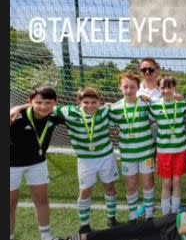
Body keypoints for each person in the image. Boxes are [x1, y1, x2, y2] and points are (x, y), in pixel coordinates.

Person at [55, 88, 118, 232]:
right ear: (78, 102)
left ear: (99, 102)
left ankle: (112, 218)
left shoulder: (105, 111)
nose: (90, 105)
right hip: (85, 160)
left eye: (94, 102)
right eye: (86, 102)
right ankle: (84, 225)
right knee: (85, 191)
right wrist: (17, 108)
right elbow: (42, 106)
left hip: (106, 157)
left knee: (109, 188)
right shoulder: (68, 112)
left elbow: (122, 107)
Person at [10, 86, 62, 240]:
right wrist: (18, 108)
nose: (43, 106)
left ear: (55, 103)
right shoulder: (15, 116)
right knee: (10, 205)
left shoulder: (55, 115)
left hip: (38, 164)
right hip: (11, 166)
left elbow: (81, 109)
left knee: (41, 200)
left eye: (48, 102)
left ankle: (46, 236)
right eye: (38, 103)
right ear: (30, 102)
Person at [109, 73, 155, 223]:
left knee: (147, 184)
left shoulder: (145, 104)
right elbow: (110, 126)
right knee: (131, 186)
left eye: (132, 87)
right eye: (125, 87)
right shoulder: (115, 108)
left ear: (138, 87)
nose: (129, 90)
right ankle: (133, 215)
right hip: (128, 155)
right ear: (120, 87)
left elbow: (158, 114)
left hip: (146, 153)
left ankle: (149, 215)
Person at [149, 75, 186, 216]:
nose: (166, 90)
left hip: (180, 150)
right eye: (163, 87)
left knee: (177, 181)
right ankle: (166, 216)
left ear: (174, 88)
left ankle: (175, 213)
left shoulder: (183, 105)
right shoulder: (155, 106)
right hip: (164, 151)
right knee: (166, 183)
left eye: (169, 87)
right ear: (158, 88)